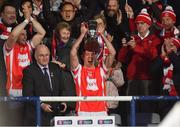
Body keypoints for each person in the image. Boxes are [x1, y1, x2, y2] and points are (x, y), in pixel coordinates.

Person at [70, 22, 116, 116]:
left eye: (92, 54)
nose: (90, 56)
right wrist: (83, 34)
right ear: (83, 57)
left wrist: (102, 34)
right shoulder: (79, 71)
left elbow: (112, 53)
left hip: (101, 111)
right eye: (87, 54)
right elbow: (73, 53)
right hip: (83, 111)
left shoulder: (101, 70)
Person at [22, 44, 67, 126]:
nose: (45, 58)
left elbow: (62, 88)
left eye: (47, 55)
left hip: (55, 115)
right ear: (35, 57)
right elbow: (27, 94)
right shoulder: (28, 71)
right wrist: (41, 105)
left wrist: (63, 102)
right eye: (41, 55)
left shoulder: (56, 67)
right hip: (37, 116)